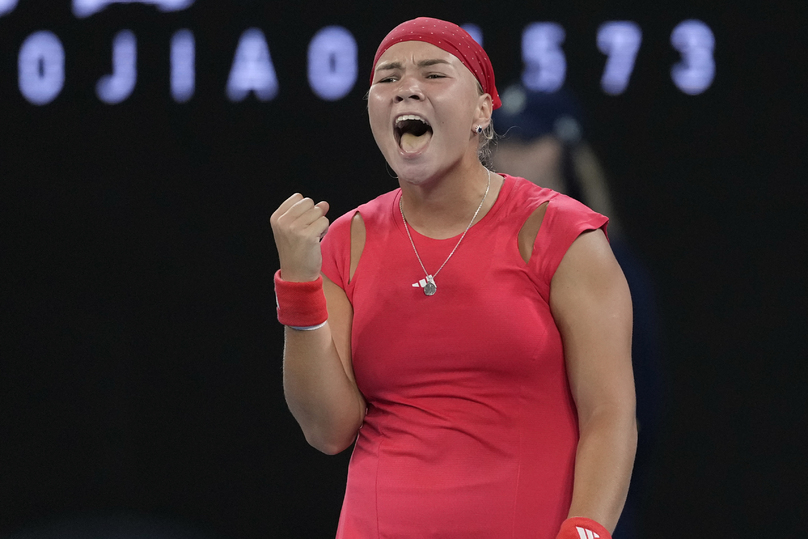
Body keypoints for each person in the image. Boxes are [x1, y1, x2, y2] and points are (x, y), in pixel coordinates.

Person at [270, 17, 637, 539]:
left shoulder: (560, 234)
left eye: (433, 73)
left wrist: (587, 531)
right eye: (388, 78)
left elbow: (610, 413)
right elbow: (328, 429)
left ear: (482, 111)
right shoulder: (345, 243)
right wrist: (299, 287)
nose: (407, 88)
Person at [492, 84, 663, 539]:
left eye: (527, 141)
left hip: (579, 509)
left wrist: (597, 517)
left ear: (565, 150)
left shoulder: (610, 267)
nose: (509, 157)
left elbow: (636, 412)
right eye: (501, 141)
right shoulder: (467, 264)